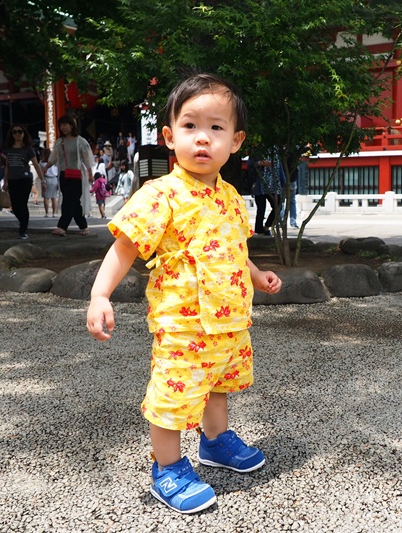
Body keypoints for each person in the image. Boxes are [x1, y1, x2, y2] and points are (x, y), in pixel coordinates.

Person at [86, 73, 282, 514]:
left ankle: (215, 443)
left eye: (217, 128)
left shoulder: (232, 196)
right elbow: (125, 246)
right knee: (174, 397)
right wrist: (101, 295)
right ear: (170, 137)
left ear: (236, 141)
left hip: (230, 320)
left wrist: (256, 274)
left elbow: (232, 248)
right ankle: (168, 466)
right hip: (183, 325)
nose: (203, 139)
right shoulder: (162, 195)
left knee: (217, 385)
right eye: (191, 126)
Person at [44, 115, 94, 236]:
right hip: (64, 175)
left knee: (68, 201)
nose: (63, 127)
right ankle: (84, 226)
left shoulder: (80, 141)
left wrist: (90, 173)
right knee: (74, 202)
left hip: (77, 175)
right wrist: (46, 167)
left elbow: (87, 159)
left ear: (71, 125)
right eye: (61, 125)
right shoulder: (60, 142)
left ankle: (62, 226)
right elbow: (54, 157)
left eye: (65, 124)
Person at [3, 124, 44, 239]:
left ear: (24, 133)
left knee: (22, 204)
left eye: (19, 131)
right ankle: (23, 223)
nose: (17, 134)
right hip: (12, 179)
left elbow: (36, 165)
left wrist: (42, 180)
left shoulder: (28, 149)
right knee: (15, 207)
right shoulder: (9, 149)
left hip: (25, 179)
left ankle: (23, 230)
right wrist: (5, 181)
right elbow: (7, 166)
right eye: (14, 132)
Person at [252, 148, 285, 235]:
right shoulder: (258, 151)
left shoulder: (277, 152)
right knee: (261, 209)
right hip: (260, 185)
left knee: (278, 207)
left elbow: (280, 168)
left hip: (274, 186)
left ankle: (267, 226)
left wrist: (283, 183)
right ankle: (259, 230)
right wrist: (261, 163)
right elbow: (250, 164)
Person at [39, 148, 59, 218]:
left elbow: (41, 172)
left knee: (46, 197)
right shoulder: (55, 163)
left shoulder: (42, 163)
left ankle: (47, 213)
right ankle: (54, 213)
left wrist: (42, 181)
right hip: (54, 179)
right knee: (54, 197)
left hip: (46, 179)